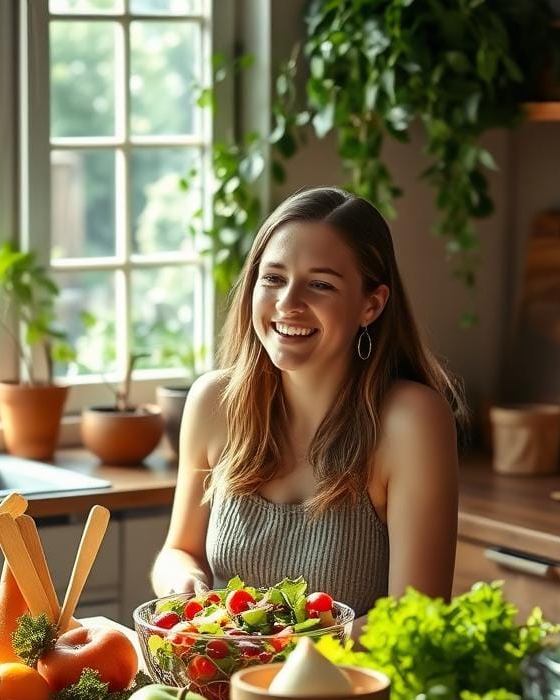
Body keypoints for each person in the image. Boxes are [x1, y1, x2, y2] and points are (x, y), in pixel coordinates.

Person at [150, 186, 464, 631]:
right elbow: (178, 550)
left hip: (346, 693)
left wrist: (289, 651)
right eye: (273, 278)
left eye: (320, 285)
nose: (288, 303)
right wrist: (182, 583)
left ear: (371, 305)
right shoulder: (213, 403)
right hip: (223, 687)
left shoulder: (411, 422)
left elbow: (419, 615)